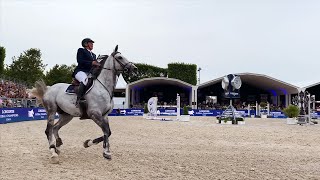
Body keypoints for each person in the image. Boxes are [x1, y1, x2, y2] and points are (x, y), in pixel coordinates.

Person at [73, 38, 100, 106]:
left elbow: (93, 65)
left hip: (89, 72)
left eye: (92, 43)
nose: (92, 44)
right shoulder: (81, 50)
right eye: (90, 43)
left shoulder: (94, 55)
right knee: (84, 80)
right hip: (80, 71)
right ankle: (80, 99)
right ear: (85, 44)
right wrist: (91, 63)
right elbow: (80, 61)